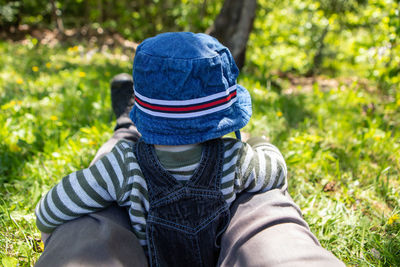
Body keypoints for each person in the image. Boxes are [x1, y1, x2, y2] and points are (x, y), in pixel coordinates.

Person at [35, 32, 345, 267]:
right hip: (221, 254)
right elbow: (275, 172)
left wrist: (54, 237)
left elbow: (52, 206)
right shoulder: (237, 159)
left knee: (120, 144)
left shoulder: (120, 166)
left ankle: (128, 126)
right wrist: (261, 145)